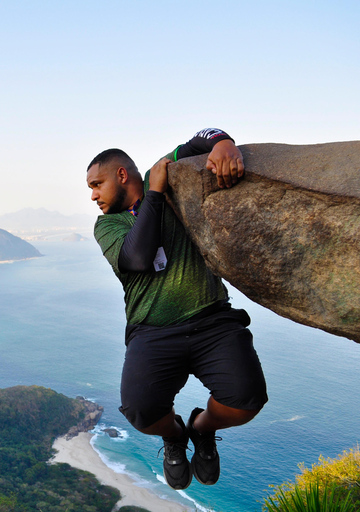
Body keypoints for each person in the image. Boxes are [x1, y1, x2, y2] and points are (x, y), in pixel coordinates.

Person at [86, 129, 268, 490]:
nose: (92, 196)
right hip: (152, 331)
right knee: (140, 411)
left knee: (247, 400)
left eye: (96, 184)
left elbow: (200, 138)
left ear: (122, 175)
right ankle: (174, 435)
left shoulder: (164, 170)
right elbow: (137, 258)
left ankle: (201, 428)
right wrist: (155, 192)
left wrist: (223, 144)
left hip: (212, 319)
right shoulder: (108, 224)